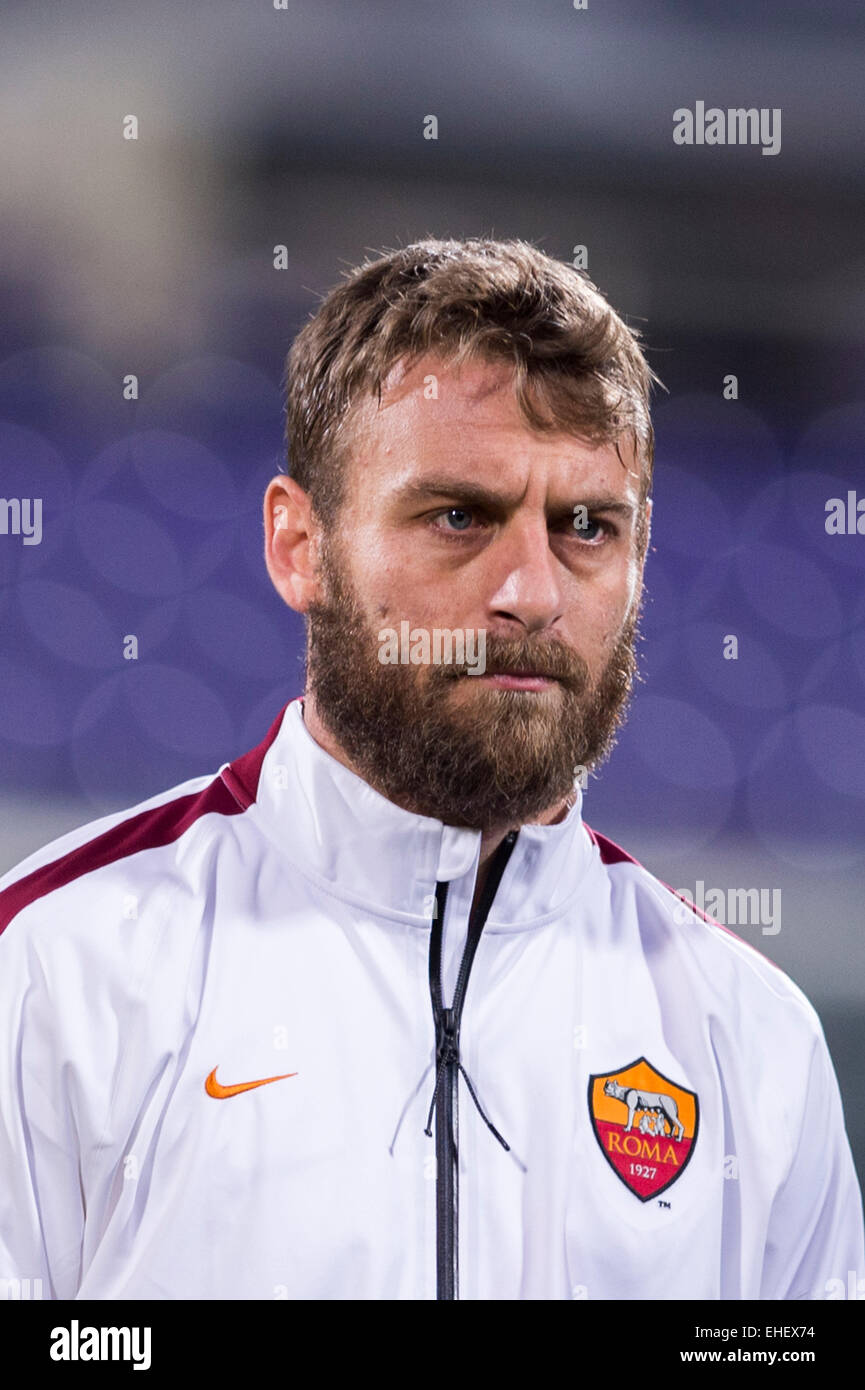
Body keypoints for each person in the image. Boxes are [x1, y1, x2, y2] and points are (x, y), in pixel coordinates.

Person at [0, 237, 861, 1301]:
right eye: (459, 516)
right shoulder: (56, 972)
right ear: (298, 546)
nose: (531, 593)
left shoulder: (751, 1043)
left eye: (586, 526)